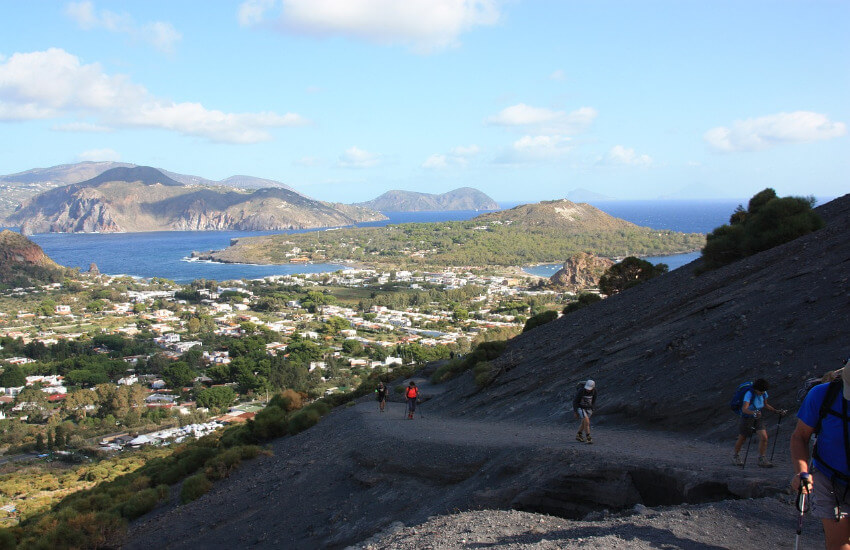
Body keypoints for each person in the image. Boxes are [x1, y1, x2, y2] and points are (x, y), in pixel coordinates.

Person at [791, 362, 850, 550]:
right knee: (839, 545)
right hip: (829, 478)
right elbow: (800, 436)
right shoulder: (822, 395)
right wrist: (802, 473)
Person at [732, 378, 786, 467]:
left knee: (764, 437)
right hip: (747, 418)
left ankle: (762, 459)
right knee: (743, 438)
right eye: (760, 392)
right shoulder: (749, 394)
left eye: (763, 392)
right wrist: (753, 412)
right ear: (755, 389)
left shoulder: (764, 393)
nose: (762, 394)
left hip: (758, 417)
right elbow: (744, 409)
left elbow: (765, 405)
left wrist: (776, 411)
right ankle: (736, 456)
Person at [573, 379, 597, 444]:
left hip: (588, 409)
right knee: (587, 421)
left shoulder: (594, 391)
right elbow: (575, 401)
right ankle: (588, 437)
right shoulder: (581, 391)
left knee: (584, 423)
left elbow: (593, 401)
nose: (588, 390)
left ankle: (579, 435)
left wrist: (592, 409)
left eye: (589, 389)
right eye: (587, 388)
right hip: (580, 408)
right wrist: (575, 411)